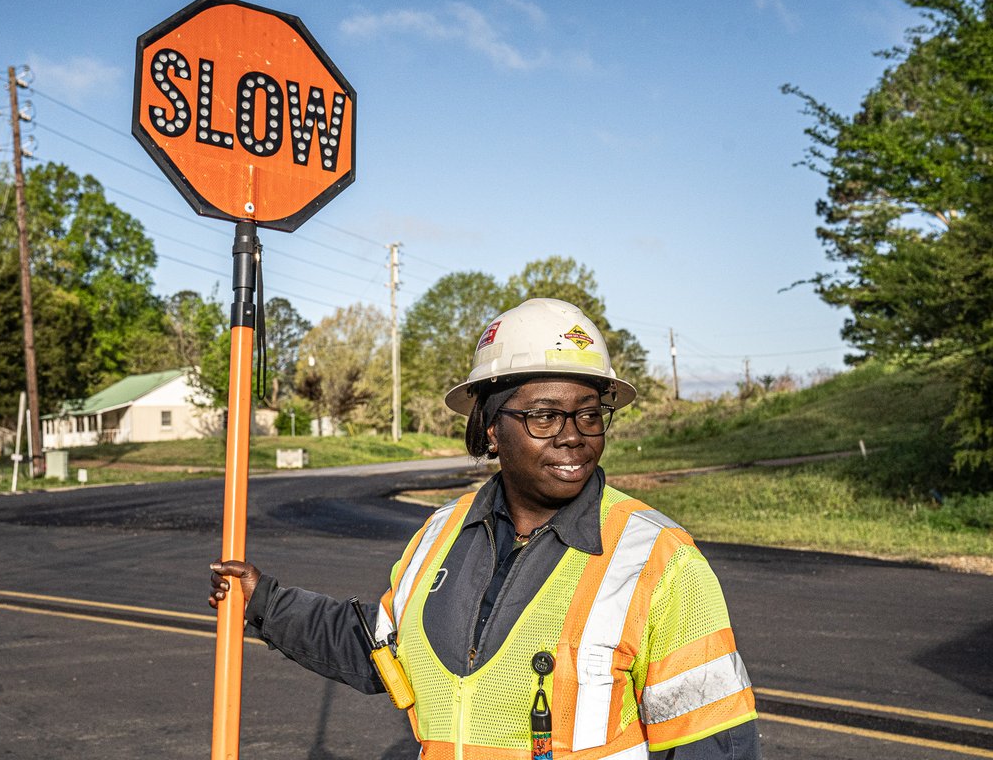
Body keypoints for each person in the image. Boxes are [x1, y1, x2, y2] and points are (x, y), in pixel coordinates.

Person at [211, 298, 760, 759]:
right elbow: (378, 650)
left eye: (589, 414)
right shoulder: (439, 534)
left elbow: (714, 743)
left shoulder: (661, 560)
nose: (574, 436)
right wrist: (263, 601)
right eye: (545, 416)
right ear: (492, 430)